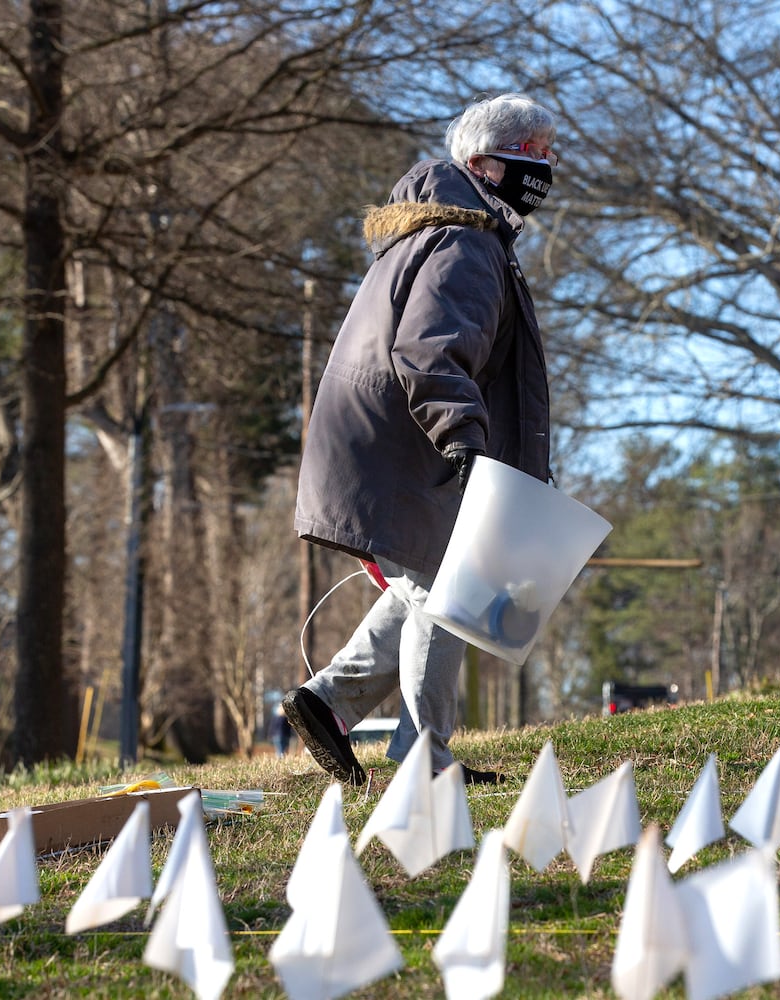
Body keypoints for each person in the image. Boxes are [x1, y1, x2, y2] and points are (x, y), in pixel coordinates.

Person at [284, 93, 558, 787]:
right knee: (450, 586)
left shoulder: (448, 232)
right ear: (483, 166)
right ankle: (422, 761)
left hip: (386, 440)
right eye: (533, 153)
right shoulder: (464, 241)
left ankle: (330, 700)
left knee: (426, 584)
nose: (546, 167)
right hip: (412, 442)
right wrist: (463, 437)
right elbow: (432, 350)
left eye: (549, 152)